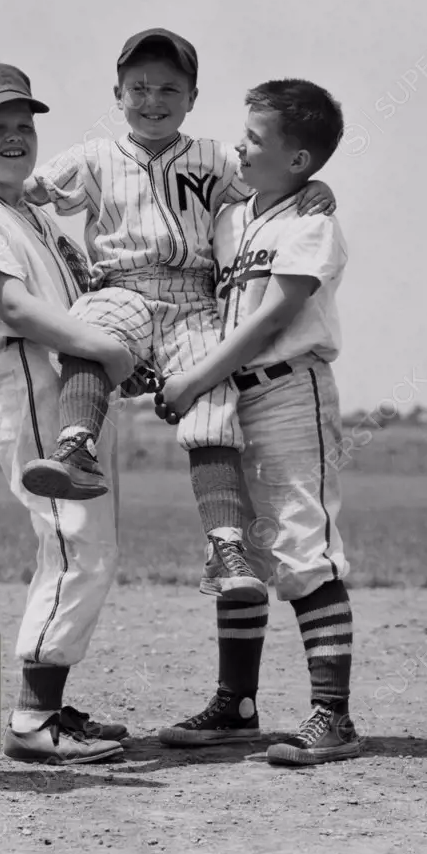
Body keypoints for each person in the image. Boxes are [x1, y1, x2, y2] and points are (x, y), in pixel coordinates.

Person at [20, 28, 334, 604]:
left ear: (192, 96)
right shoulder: (94, 158)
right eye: (138, 87)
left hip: (194, 297)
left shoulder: (216, 157)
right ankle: (75, 450)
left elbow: (277, 180)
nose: (152, 100)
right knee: (91, 331)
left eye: (169, 87)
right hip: (123, 284)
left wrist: (316, 184)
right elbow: (29, 190)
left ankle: (226, 545)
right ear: (116, 94)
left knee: (213, 407)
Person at [157, 78, 359, 766]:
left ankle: (332, 716)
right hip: (230, 395)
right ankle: (235, 707)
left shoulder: (312, 222)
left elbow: (275, 314)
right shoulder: (231, 215)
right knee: (239, 550)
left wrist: (194, 377)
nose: (239, 146)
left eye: (254, 139)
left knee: (305, 545)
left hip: (287, 389)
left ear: (298, 161)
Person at [0, 63, 134, 765]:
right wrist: (105, 348)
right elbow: (15, 309)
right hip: (26, 372)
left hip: (63, 379)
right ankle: (31, 719)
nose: (14, 137)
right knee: (74, 539)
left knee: (88, 541)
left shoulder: (29, 207)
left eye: (23, 126)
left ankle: (48, 703)